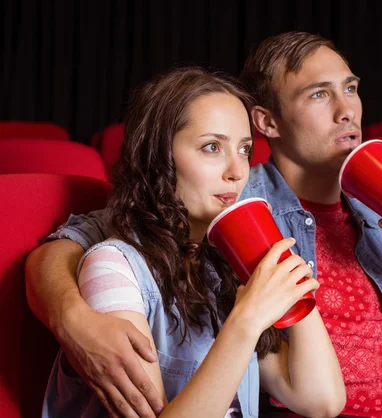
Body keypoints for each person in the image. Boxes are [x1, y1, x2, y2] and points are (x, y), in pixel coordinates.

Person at [27, 32, 382, 418]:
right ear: (269, 121)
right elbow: (95, 237)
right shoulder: (235, 213)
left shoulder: (380, 216)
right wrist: (71, 316)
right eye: (319, 94)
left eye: (350, 88)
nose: (347, 110)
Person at [40, 66, 345, 418]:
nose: (237, 171)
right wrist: (245, 321)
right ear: (159, 157)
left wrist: (285, 273)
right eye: (212, 147)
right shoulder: (111, 267)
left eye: (245, 149)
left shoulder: (221, 266)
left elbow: (322, 401)